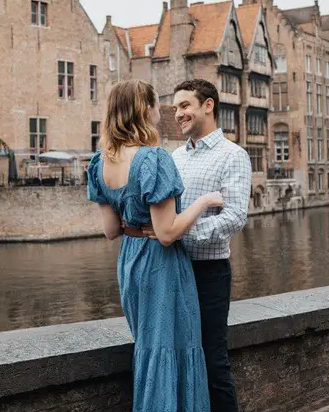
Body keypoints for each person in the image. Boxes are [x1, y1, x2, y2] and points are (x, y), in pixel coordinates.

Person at [86, 79, 223, 412]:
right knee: (174, 347)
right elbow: (166, 233)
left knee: (150, 347)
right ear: (143, 109)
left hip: (130, 262)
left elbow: (110, 231)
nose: (160, 111)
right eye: (155, 105)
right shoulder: (153, 160)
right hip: (161, 265)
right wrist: (204, 201)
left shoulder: (100, 163)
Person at [169, 78, 252, 412]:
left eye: (185, 105)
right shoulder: (174, 157)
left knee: (213, 360)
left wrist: (181, 233)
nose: (178, 114)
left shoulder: (233, 156)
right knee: (177, 356)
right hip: (172, 271)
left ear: (208, 105)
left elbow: (234, 217)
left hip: (209, 274)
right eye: (176, 107)